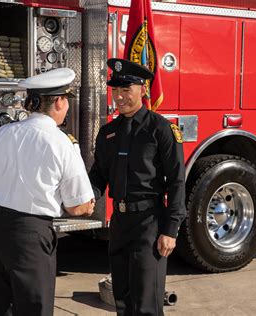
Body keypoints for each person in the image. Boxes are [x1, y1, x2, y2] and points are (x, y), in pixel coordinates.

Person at [0, 68, 95, 315]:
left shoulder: (2, 133)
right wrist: (89, 205)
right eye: (66, 101)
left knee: (3, 306)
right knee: (34, 309)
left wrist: (4, 206)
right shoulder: (62, 143)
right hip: (29, 235)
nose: (67, 108)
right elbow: (77, 206)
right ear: (59, 102)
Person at [89, 58, 186, 315]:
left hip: (150, 224)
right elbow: (99, 173)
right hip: (120, 222)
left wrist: (171, 229)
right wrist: (89, 195)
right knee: (122, 299)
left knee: (146, 303)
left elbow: (176, 180)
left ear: (142, 90)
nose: (119, 97)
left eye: (126, 91)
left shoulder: (161, 130)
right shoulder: (108, 132)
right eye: (116, 91)